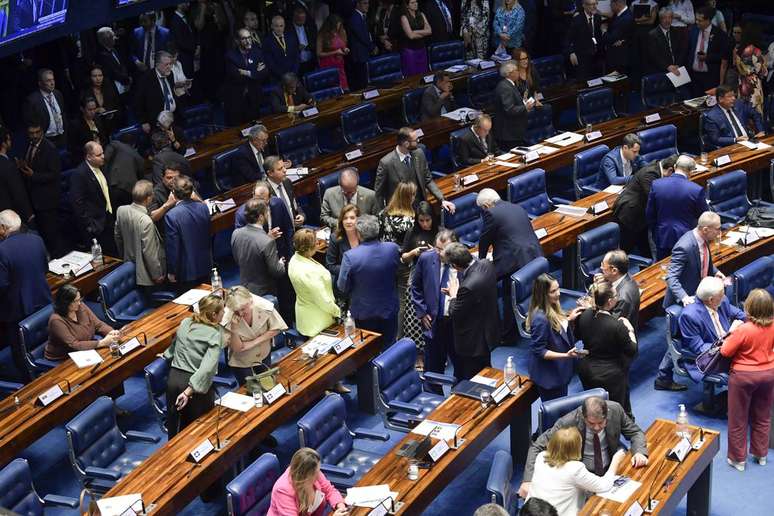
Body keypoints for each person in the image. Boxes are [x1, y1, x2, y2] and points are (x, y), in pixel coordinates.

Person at [519, 396, 648, 498]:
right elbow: (537, 446)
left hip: (612, 470)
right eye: (591, 423)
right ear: (583, 416)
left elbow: (635, 432)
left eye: (601, 423)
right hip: (583, 477)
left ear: (606, 415)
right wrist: (527, 480)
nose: (597, 428)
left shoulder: (615, 410)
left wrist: (640, 452)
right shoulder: (568, 422)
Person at [656, 212, 725, 390]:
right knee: (680, 339)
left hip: (698, 296)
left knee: (682, 339)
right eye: (717, 229)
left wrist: (714, 270)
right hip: (684, 301)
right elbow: (671, 277)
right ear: (705, 229)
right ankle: (663, 378)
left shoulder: (702, 240)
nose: (720, 233)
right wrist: (685, 298)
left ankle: (663, 378)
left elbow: (703, 259)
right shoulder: (685, 246)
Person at [721, 289, 774, 472]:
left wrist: (731, 332)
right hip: (768, 375)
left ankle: (738, 460)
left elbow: (725, 351)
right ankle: (761, 455)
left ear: (749, 306)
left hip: (743, 377)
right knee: (763, 416)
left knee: (738, 418)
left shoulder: (743, 329)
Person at [526, 427, 625, 516]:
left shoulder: (541, 456)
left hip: (532, 512)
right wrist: (615, 461)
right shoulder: (574, 469)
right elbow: (604, 486)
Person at [164, 294, 225, 438]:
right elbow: (207, 368)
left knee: (174, 429)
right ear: (214, 314)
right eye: (223, 310)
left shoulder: (185, 322)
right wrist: (188, 391)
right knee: (197, 432)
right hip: (193, 387)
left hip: (173, 381)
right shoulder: (215, 333)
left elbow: (174, 346)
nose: (224, 313)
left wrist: (166, 355)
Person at [0, 210, 52, 377]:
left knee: (22, 354)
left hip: (18, 311)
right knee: (47, 343)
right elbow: (45, 268)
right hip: (44, 301)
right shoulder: (36, 239)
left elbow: (2, 285)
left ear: (2, 228)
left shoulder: (2, 250)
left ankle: (31, 385)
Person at [574, 281, 638, 416]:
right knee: (612, 412)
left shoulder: (584, 315)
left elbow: (578, 335)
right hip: (610, 375)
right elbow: (632, 350)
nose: (618, 297)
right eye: (616, 296)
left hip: (587, 370)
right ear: (609, 302)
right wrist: (630, 330)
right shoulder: (617, 325)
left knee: (592, 409)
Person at [338, 214, 401, 346]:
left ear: (359, 234)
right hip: (389, 308)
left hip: (364, 313)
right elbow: (397, 272)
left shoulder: (350, 256)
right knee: (390, 347)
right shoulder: (392, 248)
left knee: (368, 350)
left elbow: (342, 286)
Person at [444, 242, 500, 379]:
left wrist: (453, 295)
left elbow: (454, 312)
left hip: (473, 341)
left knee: (473, 377)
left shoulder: (467, 287)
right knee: (486, 369)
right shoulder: (486, 264)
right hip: (488, 330)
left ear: (455, 266)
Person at [411, 228, 458, 384]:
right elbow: (415, 286)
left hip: (455, 323)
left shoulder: (464, 261)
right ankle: (433, 397)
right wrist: (422, 312)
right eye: (438, 249)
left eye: (444, 250)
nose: (440, 253)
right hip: (432, 322)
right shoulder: (425, 259)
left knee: (460, 365)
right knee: (432, 368)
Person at [678, 276, 745, 382]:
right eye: (721, 294)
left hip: (729, 346)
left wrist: (758, 322)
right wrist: (727, 342)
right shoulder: (689, 316)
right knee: (750, 370)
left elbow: (739, 314)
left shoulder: (721, 301)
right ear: (711, 300)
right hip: (711, 356)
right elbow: (699, 348)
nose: (724, 296)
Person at [526, 273, 582, 401]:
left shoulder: (553, 305)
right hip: (550, 376)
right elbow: (539, 350)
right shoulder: (540, 319)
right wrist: (566, 356)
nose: (558, 293)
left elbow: (555, 326)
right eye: (553, 291)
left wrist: (568, 319)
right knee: (554, 415)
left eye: (558, 288)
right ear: (543, 295)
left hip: (560, 370)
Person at [375, 127, 455, 212]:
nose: (418, 141)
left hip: (420, 207)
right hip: (401, 211)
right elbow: (379, 193)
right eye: (415, 140)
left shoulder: (419, 153)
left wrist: (442, 199)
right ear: (406, 144)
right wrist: (382, 216)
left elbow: (428, 179)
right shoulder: (386, 163)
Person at [612, 154, 677, 258]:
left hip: (642, 216)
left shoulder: (657, 169)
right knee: (625, 251)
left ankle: (647, 269)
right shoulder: (649, 174)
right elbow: (655, 198)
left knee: (646, 251)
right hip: (629, 214)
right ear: (669, 170)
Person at [646, 155, 709, 260]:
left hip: (662, 235)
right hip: (686, 238)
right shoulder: (696, 190)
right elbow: (704, 217)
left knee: (662, 269)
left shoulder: (656, 184)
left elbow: (649, 213)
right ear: (690, 171)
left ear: (675, 166)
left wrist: (656, 231)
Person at [222, 286, 287, 386]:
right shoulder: (226, 318)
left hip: (264, 353)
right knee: (250, 390)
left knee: (268, 385)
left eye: (243, 309)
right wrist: (234, 329)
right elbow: (238, 348)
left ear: (250, 301)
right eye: (236, 310)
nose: (240, 313)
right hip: (242, 362)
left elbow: (277, 328)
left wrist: (253, 343)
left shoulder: (264, 306)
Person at [17, 119, 62, 257]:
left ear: (42, 131)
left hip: (47, 200)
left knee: (51, 234)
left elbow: (54, 175)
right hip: (34, 198)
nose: (34, 135)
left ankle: (57, 259)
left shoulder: (50, 148)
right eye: (31, 133)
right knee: (42, 233)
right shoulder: (28, 145)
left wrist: (34, 175)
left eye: (37, 132)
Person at [477, 188, 543, 280]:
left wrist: (481, 260)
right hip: (534, 253)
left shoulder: (491, 213)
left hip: (514, 261)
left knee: (488, 277)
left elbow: (485, 239)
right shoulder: (516, 207)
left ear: (486, 205)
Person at [44, 284, 120, 361]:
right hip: (64, 359)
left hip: (86, 349)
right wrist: (102, 343)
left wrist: (111, 332)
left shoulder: (80, 306)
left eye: (79, 299)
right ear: (65, 303)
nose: (79, 303)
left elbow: (98, 325)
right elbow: (74, 345)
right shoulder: (56, 321)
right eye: (76, 301)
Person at [114, 180, 166, 289]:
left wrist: (124, 257)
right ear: (148, 199)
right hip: (146, 275)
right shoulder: (146, 221)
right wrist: (157, 275)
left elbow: (118, 237)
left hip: (128, 265)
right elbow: (149, 252)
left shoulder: (121, 210)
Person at [289, 228, 342, 335]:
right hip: (318, 320)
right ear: (309, 248)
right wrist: (338, 312)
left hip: (306, 314)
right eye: (316, 242)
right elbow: (322, 299)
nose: (318, 243)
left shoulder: (294, 259)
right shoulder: (309, 272)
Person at [267, 447, 348, 516]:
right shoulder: (283, 490)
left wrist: (340, 506)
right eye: (316, 472)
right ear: (306, 475)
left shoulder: (313, 471)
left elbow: (329, 491)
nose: (319, 474)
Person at [231, 199, 287, 298]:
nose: (268, 214)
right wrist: (281, 264)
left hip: (245, 289)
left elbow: (237, 259)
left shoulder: (236, 233)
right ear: (261, 217)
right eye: (267, 212)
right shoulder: (267, 241)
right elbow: (277, 271)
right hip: (265, 292)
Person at [165, 175, 211, 289]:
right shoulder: (203, 207)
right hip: (206, 264)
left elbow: (173, 248)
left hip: (187, 272)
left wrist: (172, 271)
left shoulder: (171, 216)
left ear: (173, 193)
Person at [70, 141, 117, 255]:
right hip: (95, 226)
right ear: (88, 157)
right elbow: (77, 204)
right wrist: (90, 226)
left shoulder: (102, 167)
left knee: (114, 253)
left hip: (108, 219)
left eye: (102, 153)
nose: (103, 157)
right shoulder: (79, 174)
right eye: (99, 155)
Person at [235, 180, 295, 261]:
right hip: (260, 260)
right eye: (257, 198)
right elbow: (243, 245)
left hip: (282, 254)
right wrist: (266, 238)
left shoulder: (278, 203)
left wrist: (291, 255)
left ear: (270, 197)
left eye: (263, 199)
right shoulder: (242, 214)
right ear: (253, 195)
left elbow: (288, 229)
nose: (259, 202)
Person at [223, 28, 269, 126]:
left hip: (254, 95)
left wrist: (247, 73)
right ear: (237, 41)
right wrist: (255, 72)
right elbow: (236, 76)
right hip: (237, 98)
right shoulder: (230, 56)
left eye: (249, 38)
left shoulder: (257, 52)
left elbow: (264, 73)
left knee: (255, 127)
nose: (248, 41)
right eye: (244, 39)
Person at [680, 6, 727, 97]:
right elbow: (686, 51)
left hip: (710, 77)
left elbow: (723, 57)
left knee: (708, 105)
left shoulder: (719, 35)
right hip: (693, 76)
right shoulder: (693, 31)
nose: (696, 22)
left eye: (700, 20)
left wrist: (707, 57)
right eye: (696, 19)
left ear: (708, 20)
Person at [701, 84, 765, 151]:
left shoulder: (739, 104)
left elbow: (756, 115)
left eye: (733, 95)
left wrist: (761, 131)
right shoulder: (712, 116)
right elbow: (715, 139)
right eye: (729, 96)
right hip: (731, 147)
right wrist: (735, 140)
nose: (734, 98)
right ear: (720, 99)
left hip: (750, 142)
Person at [133, 51, 180, 134]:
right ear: (157, 65)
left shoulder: (170, 74)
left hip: (173, 119)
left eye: (170, 64)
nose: (169, 67)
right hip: (156, 123)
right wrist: (143, 121)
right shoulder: (146, 79)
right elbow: (138, 102)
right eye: (166, 64)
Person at [492, 61, 534, 151]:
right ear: (510, 73)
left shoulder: (510, 84)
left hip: (514, 131)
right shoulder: (505, 87)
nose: (519, 72)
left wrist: (523, 103)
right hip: (508, 133)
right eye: (517, 70)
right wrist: (525, 107)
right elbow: (509, 109)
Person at [595, 250, 641, 329]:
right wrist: (606, 281)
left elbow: (612, 327)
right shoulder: (627, 277)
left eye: (603, 265)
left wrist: (593, 305)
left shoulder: (623, 298)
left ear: (614, 271)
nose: (601, 268)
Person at [23, 69, 67, 148]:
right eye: (48, 81)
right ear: (40, 83)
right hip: (47, 140)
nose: (52, 83)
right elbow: (32, 124)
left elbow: (62, 114)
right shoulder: (32, 101)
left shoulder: (58, 94)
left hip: (62, 137)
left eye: (53, 79)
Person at [0, 127, 34, 226]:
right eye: (9, 139)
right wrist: (29, 215)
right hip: (12, 217)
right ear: (4, 143)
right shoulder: (8, 166)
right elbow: (18, 194)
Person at [103, 133, 145, 210]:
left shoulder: (115, 144)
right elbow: (141, 177)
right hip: (130, 190)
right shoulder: (139, 157)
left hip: (113, 185)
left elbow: (104, 159)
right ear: (134, 144)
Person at [564, 0, 603, 81]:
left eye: (595, 4)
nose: (595, 7)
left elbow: (597, 36)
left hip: (596, 56)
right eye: (591, 4)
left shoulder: (597, 17)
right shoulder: (577, 20)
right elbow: (568, 39)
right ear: (584, 6)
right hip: (582, 57)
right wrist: (571, 52)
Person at [733, 26, 768, 114]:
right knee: (755, 113)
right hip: (753, 85)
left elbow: (736, 66)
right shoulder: (756, 51)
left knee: (743, 112)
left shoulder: (739, 50)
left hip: (741, 83)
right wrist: (765, 63)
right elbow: (762, 72)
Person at [326, 204, 360, 291]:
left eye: (352, 218)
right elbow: (330, 265)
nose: (348, 221)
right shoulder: (335, 238)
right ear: (341, 221)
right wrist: (350, 270)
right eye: (345, 218)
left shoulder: (365, 236)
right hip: (344, 284)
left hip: (362, 283)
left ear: (358, 219)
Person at [266, 155, 306, 228]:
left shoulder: (287, 182)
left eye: (284, 167)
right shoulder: (264, 191)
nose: (285, 170)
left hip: (295, 228)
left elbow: (294, 204)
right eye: (280, 169)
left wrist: (301, 215)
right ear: (270, 173)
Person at [82, 65, 122, 134]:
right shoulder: (86, 92)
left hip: (113, 125)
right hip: (95, 129)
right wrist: (96, 110)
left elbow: (119, 106)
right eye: (95, 76)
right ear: (90, 77)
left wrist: (110, 112)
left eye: (100, 75)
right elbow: (83, 113)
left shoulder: (111, 88)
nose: (98, 78)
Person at [95, 27, 133, 100]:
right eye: (113, 36)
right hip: (115, 90)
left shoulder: (114, 49)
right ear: (106, 40)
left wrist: (127, 77)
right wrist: (127, 80)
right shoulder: (101, 55)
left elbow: (121, 65)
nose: (115, 38)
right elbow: (113, 72)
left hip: (124, 85)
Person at [347, 0, 375, 91]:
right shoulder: (355, 17)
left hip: (363, 54)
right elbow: (362, 36)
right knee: (362, 83)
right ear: (358, 4)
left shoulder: (361, 17)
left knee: (365, 80)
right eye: (365, 3)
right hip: (359, 55)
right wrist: (372, 46)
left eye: (368, 3)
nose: (367, 5)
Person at [263, 15, 301, 83]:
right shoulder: (267, 41)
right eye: (276, 26)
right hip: (278, 79)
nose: (279, 29)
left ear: (284, 26)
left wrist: (293, 73)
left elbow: (297, 56)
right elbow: (270, 63)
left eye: (281, 26)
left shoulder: (291, 37)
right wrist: (284, 76)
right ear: (272, 26)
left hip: (293, 76)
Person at [398, 0, 432, 76]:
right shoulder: (404, 17)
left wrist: (415, 31)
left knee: (424, 75)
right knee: (413, 76)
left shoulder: (422, 14)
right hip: (410, 51)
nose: (415, 4)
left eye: (416, 2)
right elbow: (411, 36)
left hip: (422, 48)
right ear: (407, 5)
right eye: (412, 3)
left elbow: (429, 31)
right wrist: (423, 32)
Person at [317, 15, 350, 91]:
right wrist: (335, 52)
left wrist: (345, 49)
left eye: (339, 26)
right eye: (336, 26)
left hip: (340, 64)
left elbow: (343, 45)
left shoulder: (341, 32)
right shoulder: (322, 35)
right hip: (328, 64)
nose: (337, 28)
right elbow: (319, 53)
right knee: (332, 88)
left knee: (344, 88)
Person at [602, 0, 634, 75]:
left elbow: (611, 39)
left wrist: (604, 31)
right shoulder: (621, 15)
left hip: (619, 60)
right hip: (618, 57)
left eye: (611, 4)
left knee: (617, 84)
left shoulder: (625, 18)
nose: (610, 6)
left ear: (617, 4)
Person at [646, 8, 682, 75]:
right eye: (664, 18)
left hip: (677, 68)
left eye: (669, 18)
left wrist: (678, 64)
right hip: (661, 70)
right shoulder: (652, 35)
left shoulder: (676, 32)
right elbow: (654, 55)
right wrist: (667, 67)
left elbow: (680, 51)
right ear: (660, 19)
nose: (667, 20)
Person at [169, 2, 195, 77]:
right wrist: (194, 49)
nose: (189, 4)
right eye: (186, 2)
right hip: (184, 58)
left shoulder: (186, 17)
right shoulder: (175, 20)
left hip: (189, 56)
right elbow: (180, 41)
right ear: (179, 3)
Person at [292, 6, 318, 77]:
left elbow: (316, 43)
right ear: (294, 17)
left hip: (311, 63)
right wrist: (296, 48)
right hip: (297, 65)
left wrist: (307, 47)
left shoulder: (311, 28)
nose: (301, 20)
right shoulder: (289, 30)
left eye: (303, 18)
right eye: (299, 18)